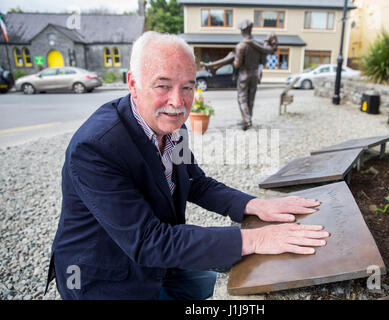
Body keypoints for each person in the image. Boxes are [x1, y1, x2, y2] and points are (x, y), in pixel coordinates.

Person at [45, 31, 330, 300]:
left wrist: (255, 205)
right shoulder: (96, 147)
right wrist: (255, 239)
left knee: (220, 285)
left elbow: (194, 182)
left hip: (164, 262)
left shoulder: (172, 127)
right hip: (108, 278)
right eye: (163, 85)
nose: (178, 102)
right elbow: (148, 241)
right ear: (133, 84)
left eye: (188, 87)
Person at [202, 20, 278, 130]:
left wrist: (231, 59)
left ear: (243, 30)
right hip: (254, 74)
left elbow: (237, 65)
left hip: (244, 75)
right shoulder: (259, 44)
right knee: (251, 98)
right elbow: (263, 61)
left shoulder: (241, 46)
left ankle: (247, 120)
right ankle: (247, 119)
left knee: (242, 98)